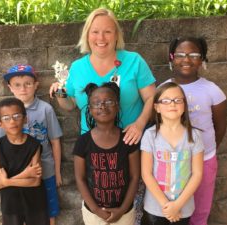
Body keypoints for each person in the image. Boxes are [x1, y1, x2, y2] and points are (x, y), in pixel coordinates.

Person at [49, 7, 156, 146]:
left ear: (116, 35)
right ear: (87, 35)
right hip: (93, 146)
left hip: (131, 141)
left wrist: (139, 125)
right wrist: (59, 92)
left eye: (107, 32)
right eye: (95, 32)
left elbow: (152, 98)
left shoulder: (134, 61)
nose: (101, 38)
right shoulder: (77, 67)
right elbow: (70, 105)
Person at [166, 37, 227, 225]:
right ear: (171, 58)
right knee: (173, 210)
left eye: (194, 55)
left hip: (205, 159)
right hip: (172, 162)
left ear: (202, 59)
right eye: (181, 55)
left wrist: (206, 150)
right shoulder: (163, 90)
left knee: (200, 211)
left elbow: (220, 127)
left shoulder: (212, 91)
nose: (187, 59)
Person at [0, 64, 63, 225]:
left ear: (36, 85)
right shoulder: (6, 112)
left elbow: (55, 141)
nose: (23, 88)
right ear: (10, 87)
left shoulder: (46, 109)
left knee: (48, 212)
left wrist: (57, 171)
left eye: (28, 84)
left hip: (44, 170)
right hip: (16, 171)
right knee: (21, 213)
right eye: (17, 84)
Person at [73, 82, 140, 225]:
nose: (102, 106)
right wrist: (96, 210)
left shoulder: (128, 139)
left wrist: (122, 209)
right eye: (96, 103)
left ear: (118, 106)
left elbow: (135, 177)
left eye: (109, 101)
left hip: (124, 213)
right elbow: (80, 178)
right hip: (94, 214)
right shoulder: (83, 142)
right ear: (90, 109)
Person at [141, 82, 204, 225]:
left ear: (184, 105)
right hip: (155, 209)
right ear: (157, 107)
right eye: (166, 100)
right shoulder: (150, 136)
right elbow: (146, 173)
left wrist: (177, 205)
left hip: (183, 208)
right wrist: (167, 206)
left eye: (177, 100)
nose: (172, 104)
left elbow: (197, 174)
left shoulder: (195, 135)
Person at [0, 97, 49, 225]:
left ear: (25, 118)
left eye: (16, 115)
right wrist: (25, 174)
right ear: (0, 123)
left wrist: (6, 181)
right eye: (6, 118)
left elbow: (35, 181)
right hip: (10, 203)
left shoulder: (34, 145)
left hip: (35, 202)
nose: (12, 121)